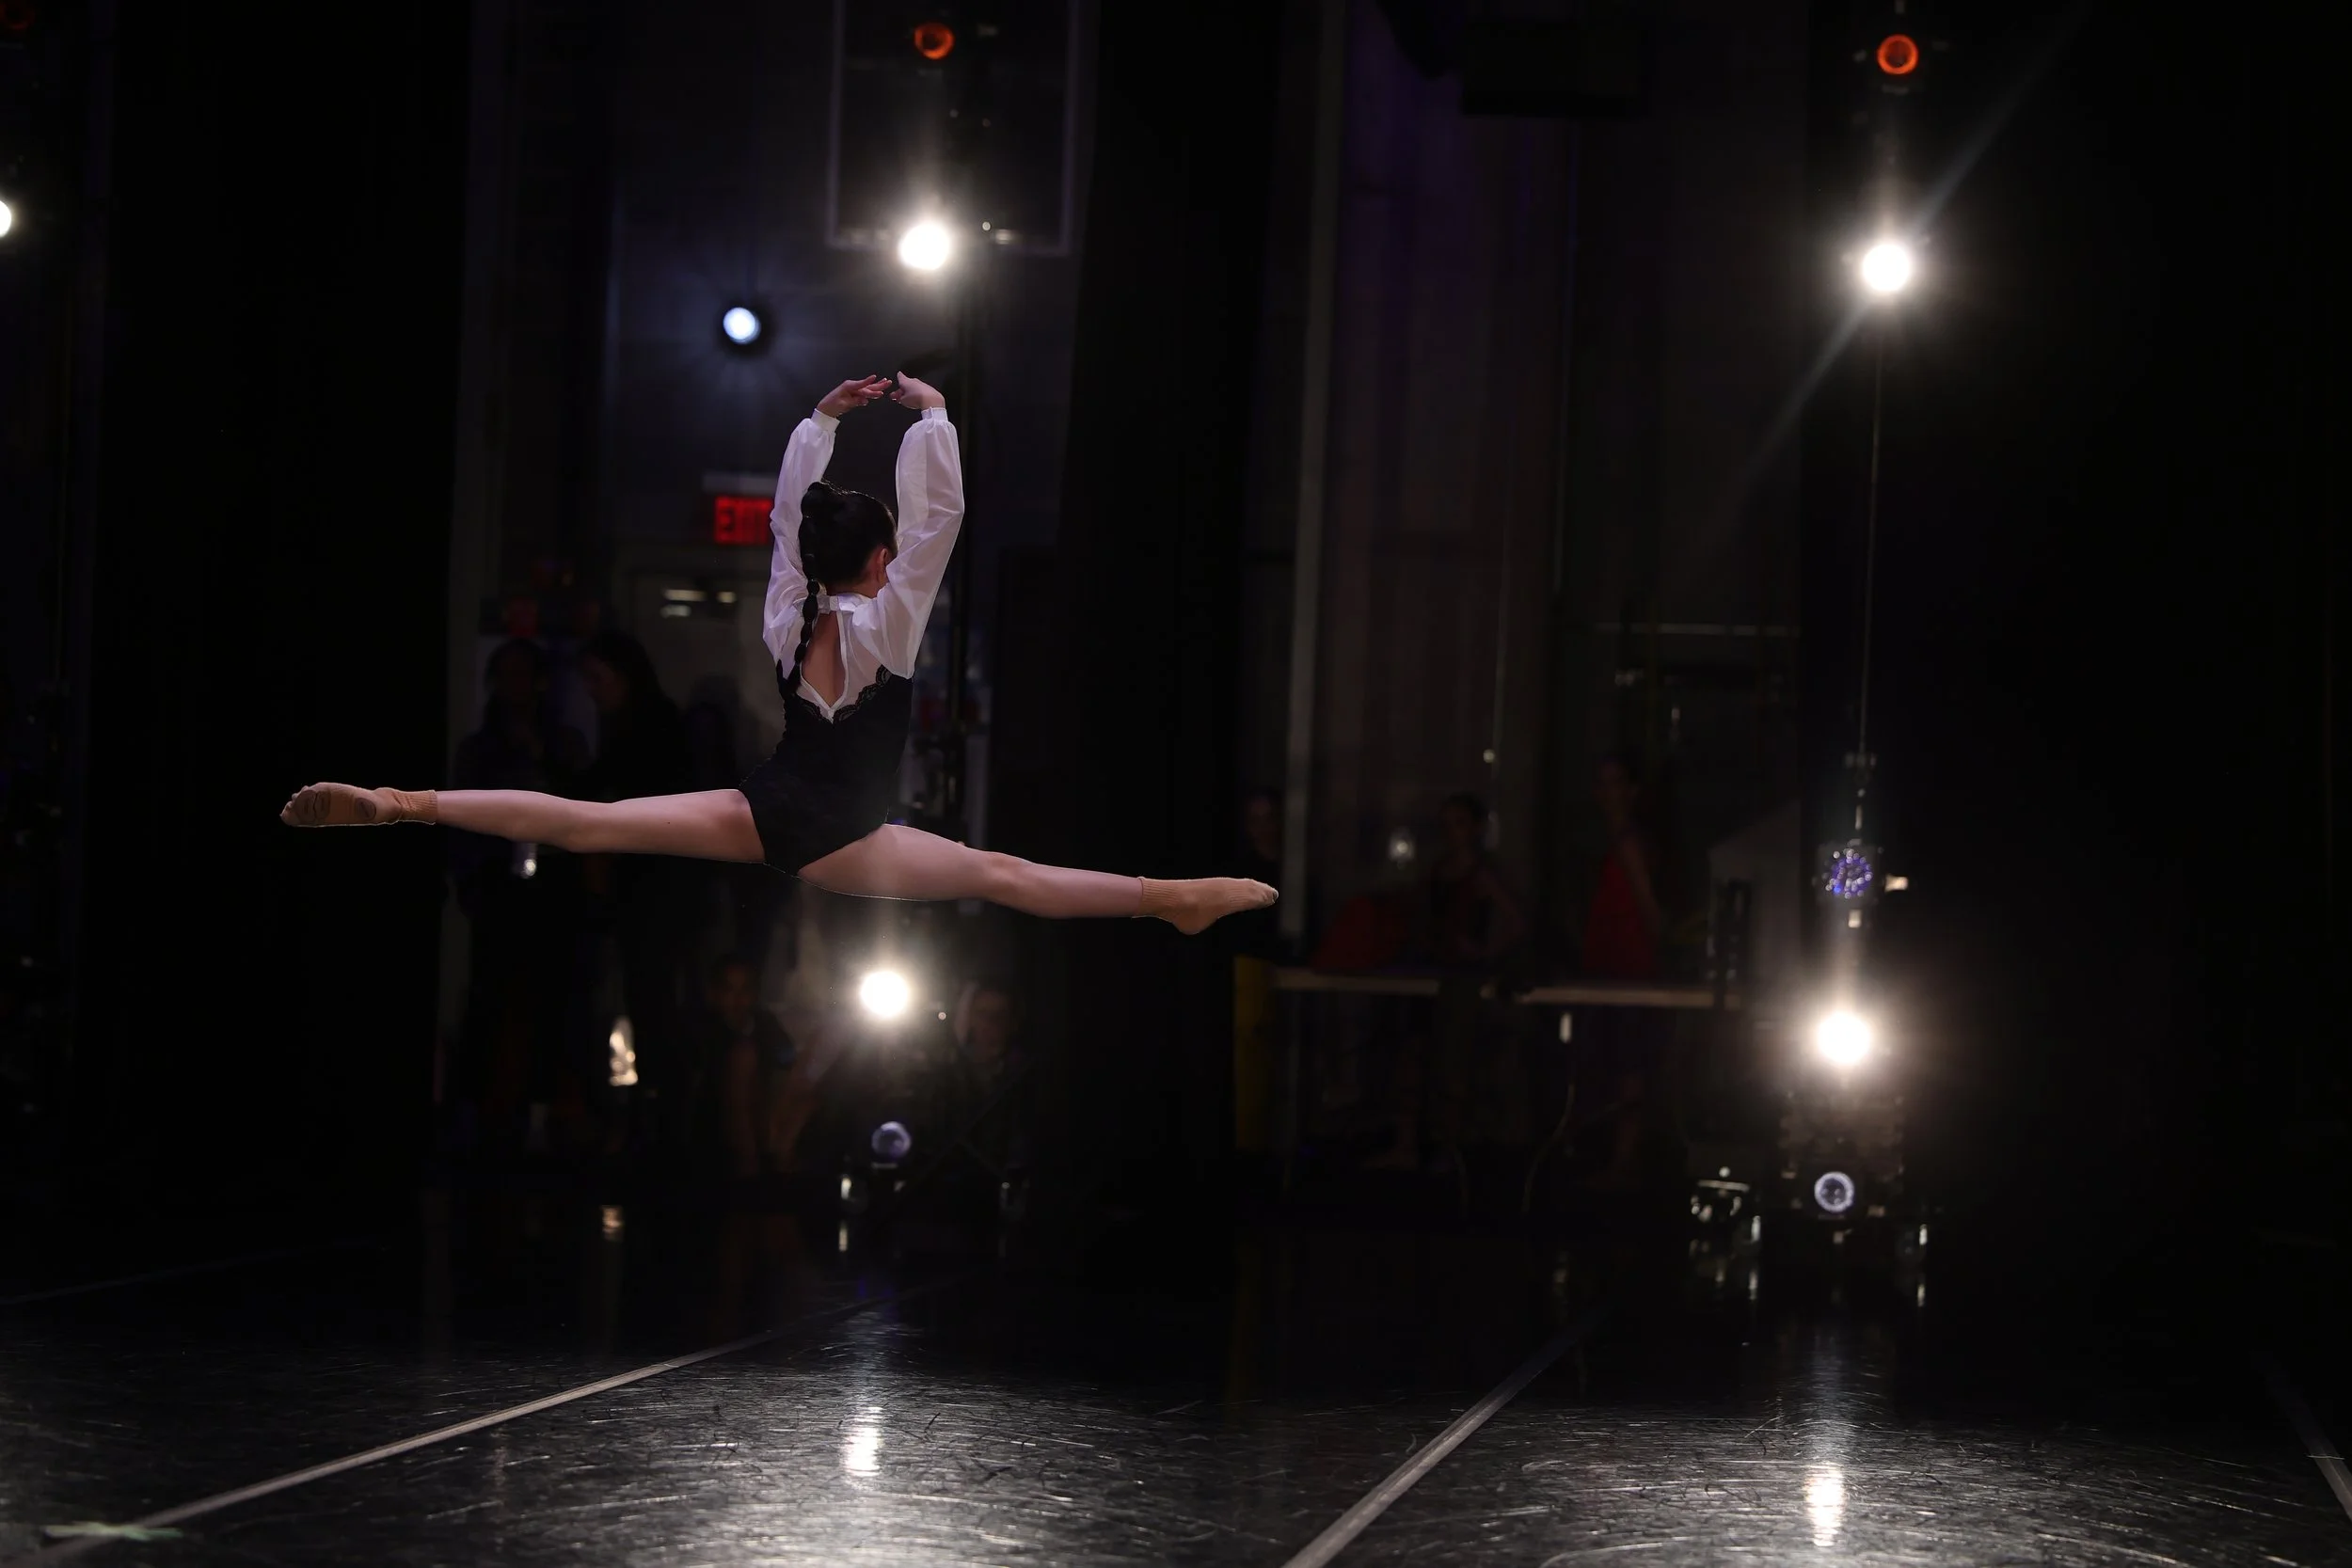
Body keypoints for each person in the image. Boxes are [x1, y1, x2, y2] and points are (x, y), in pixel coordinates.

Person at [281, 373, 1273, 935]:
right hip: (844, 837)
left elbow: (782, 529)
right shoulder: (888, 623)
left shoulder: (790, 619)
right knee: (1001, 872)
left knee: (586, 825)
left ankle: (402, 802)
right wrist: (928, 421)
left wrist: (823, 424)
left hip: (764, 811)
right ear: (880, 556)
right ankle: (1167, 898)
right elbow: (942, 521)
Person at [1583, 756, 1664, 978]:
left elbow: (1648, 905)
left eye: (1615, 782)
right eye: (1602, 783)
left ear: (1631, 790)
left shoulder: (1629, 842)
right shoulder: (1614, 840)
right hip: (1611, 964)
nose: (1608, 791)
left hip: (1628, 967)